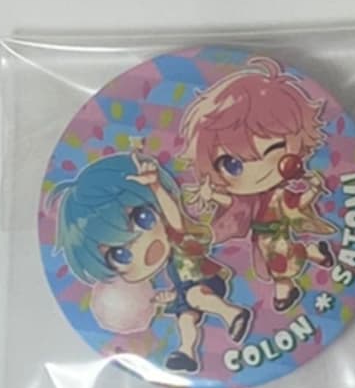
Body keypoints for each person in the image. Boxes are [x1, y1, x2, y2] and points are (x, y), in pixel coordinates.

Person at [49, 149, 251, 374]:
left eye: (143, 218)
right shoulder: (162, 271)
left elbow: (174, 218)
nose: (143, 248)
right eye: (121, 255)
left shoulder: (179, 239)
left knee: (195, 296)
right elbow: (178, 284)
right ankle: (187, 353)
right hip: (186, 289)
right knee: (185, 319)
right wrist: (168, 297)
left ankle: (233, 313)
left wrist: (155, 186)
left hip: (206, 278)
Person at [179, 57, 337, 312]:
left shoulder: (278, 195)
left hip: (277, 235)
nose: (257, 172)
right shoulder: (248, 201)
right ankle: (312, 252)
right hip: (262, 239)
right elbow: (232, 203)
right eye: (232, 164)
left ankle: (286, 288)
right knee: (279, 259)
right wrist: (211, 195)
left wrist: (315, 190)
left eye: (273, 151)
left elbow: (297, 203)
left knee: (280, 262)